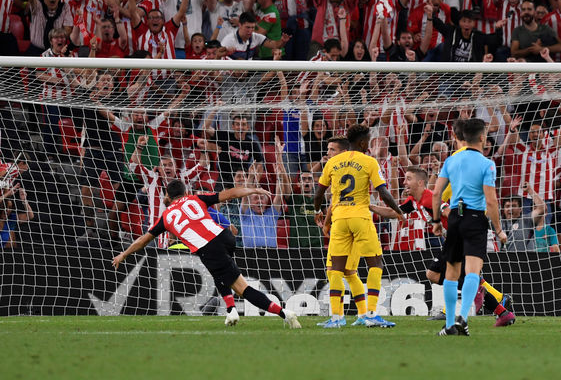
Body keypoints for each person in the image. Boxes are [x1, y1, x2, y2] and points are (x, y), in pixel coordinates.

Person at [112, 180, 301, 329]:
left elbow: (142, 241)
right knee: (218, 272)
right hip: (225, 236)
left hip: (209, 247)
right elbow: (230, 194)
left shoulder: (167, 216)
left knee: (243, 289)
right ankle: (231, 310)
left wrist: (123, 254)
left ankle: (285, 314)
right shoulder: (196, 198)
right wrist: (253, 190)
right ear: (185, 193)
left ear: (167, 196)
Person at [313, 123, 405, 328]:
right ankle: (370, 314)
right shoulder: (369, 162)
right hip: (360, 218)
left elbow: (318, 194)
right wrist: (398, 211)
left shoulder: (333, 163)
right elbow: (383, 192)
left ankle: (337, 318)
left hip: (339, 220)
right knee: (375, 264)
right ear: (363, 142)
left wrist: (317, 212)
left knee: (335, 270)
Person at [431, 118, 507, 336]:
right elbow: (491, 201)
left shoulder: (451, 161)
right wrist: (499, 229)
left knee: (452, 273)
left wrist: (437, 221)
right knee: (473, 271)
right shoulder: (487, 164)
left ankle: (448, 325)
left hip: (455, 217)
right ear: (482, 137)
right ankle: (463, 319)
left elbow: (436, 193)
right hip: (476, 219)